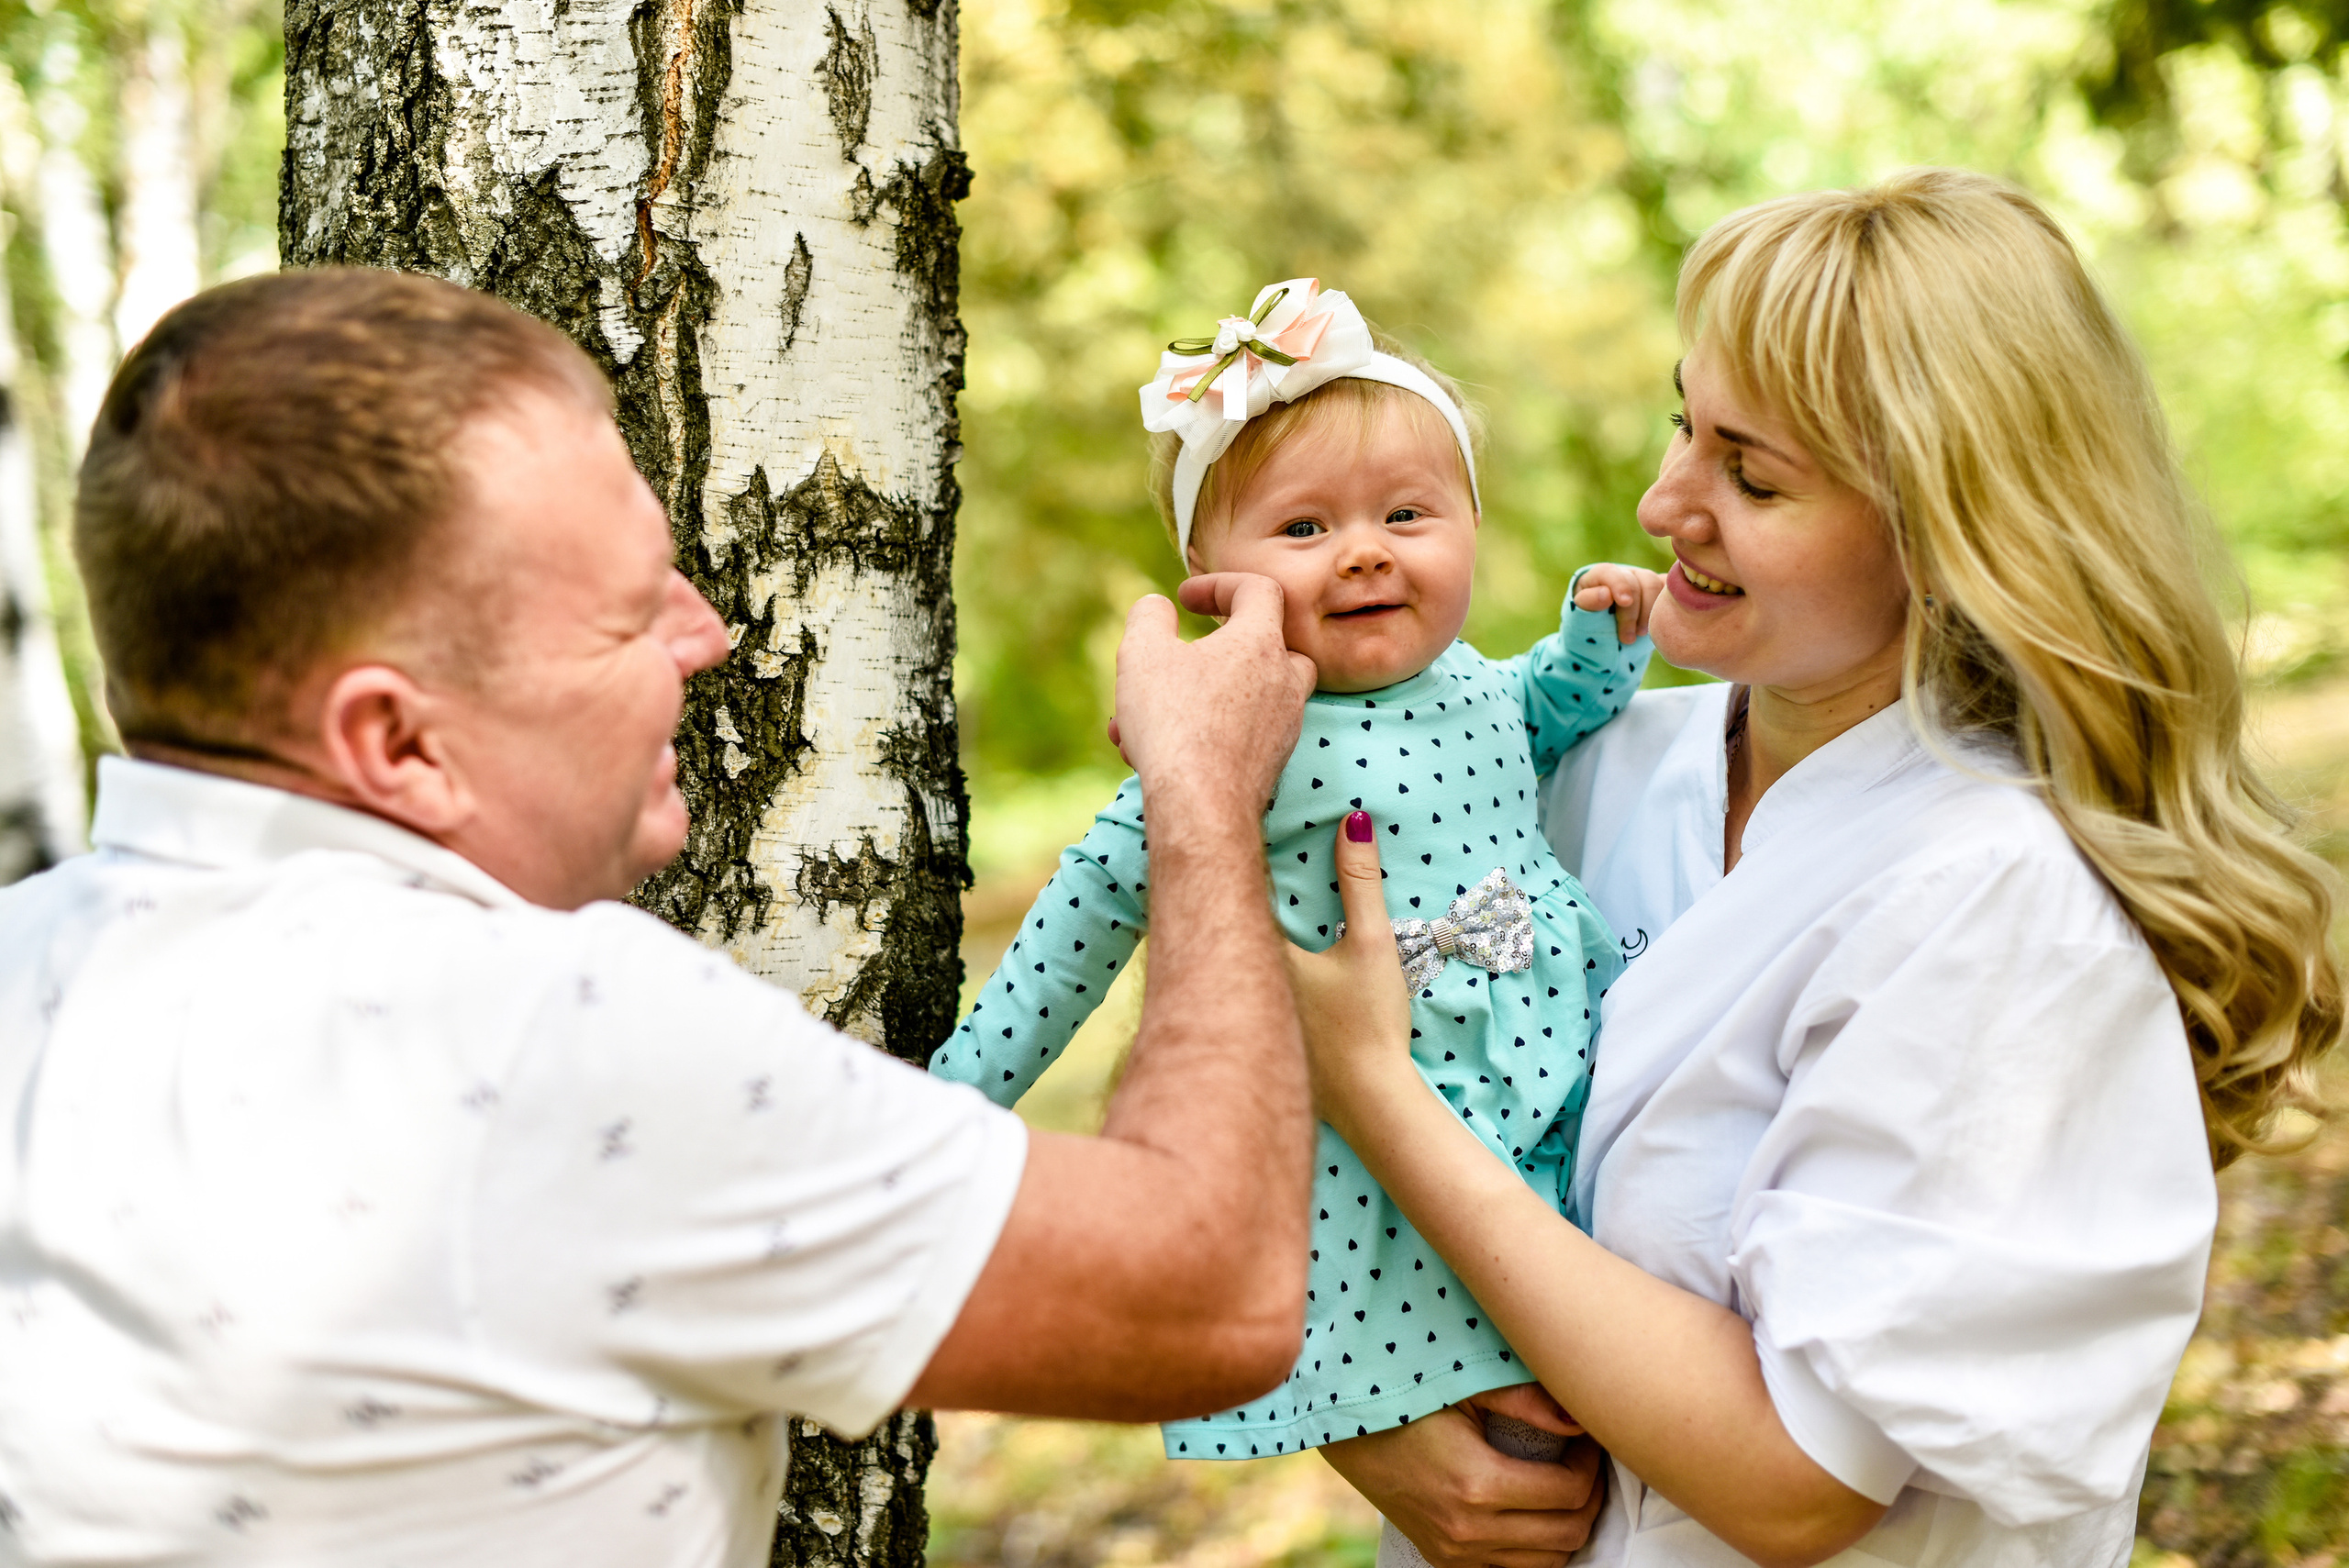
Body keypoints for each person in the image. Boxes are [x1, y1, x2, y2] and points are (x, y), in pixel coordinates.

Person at [0, 268, 1324, 1565]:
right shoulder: (552, 1035)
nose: (706, 636)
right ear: (395, 741)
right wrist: (1205, 795)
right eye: (630, 614)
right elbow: (1212, 1293)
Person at [1283, 169, 2343, 1568]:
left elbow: (1798, 1480)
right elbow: (1263, 1117)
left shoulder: (2002, 902)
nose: (1663, 502)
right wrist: (1356, 1411)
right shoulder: (1587, 769)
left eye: (1753, 475)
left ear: (1948, 532)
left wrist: (1375, 1090)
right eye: (1684, 423)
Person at [930, 277, 1664, 1468]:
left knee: (1601, 1371)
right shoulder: (1235, 729)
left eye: (1408, 514)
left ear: (1472, 524)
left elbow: (1558, 704)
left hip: (1552, 1079)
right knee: (1510, 1425)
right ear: (1210, 571)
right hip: (1386, 1148)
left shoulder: (1482, 685)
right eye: (1305, 529)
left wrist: (1600, 634)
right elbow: (1087, 912)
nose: (1364, 552)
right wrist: (957, 1094)